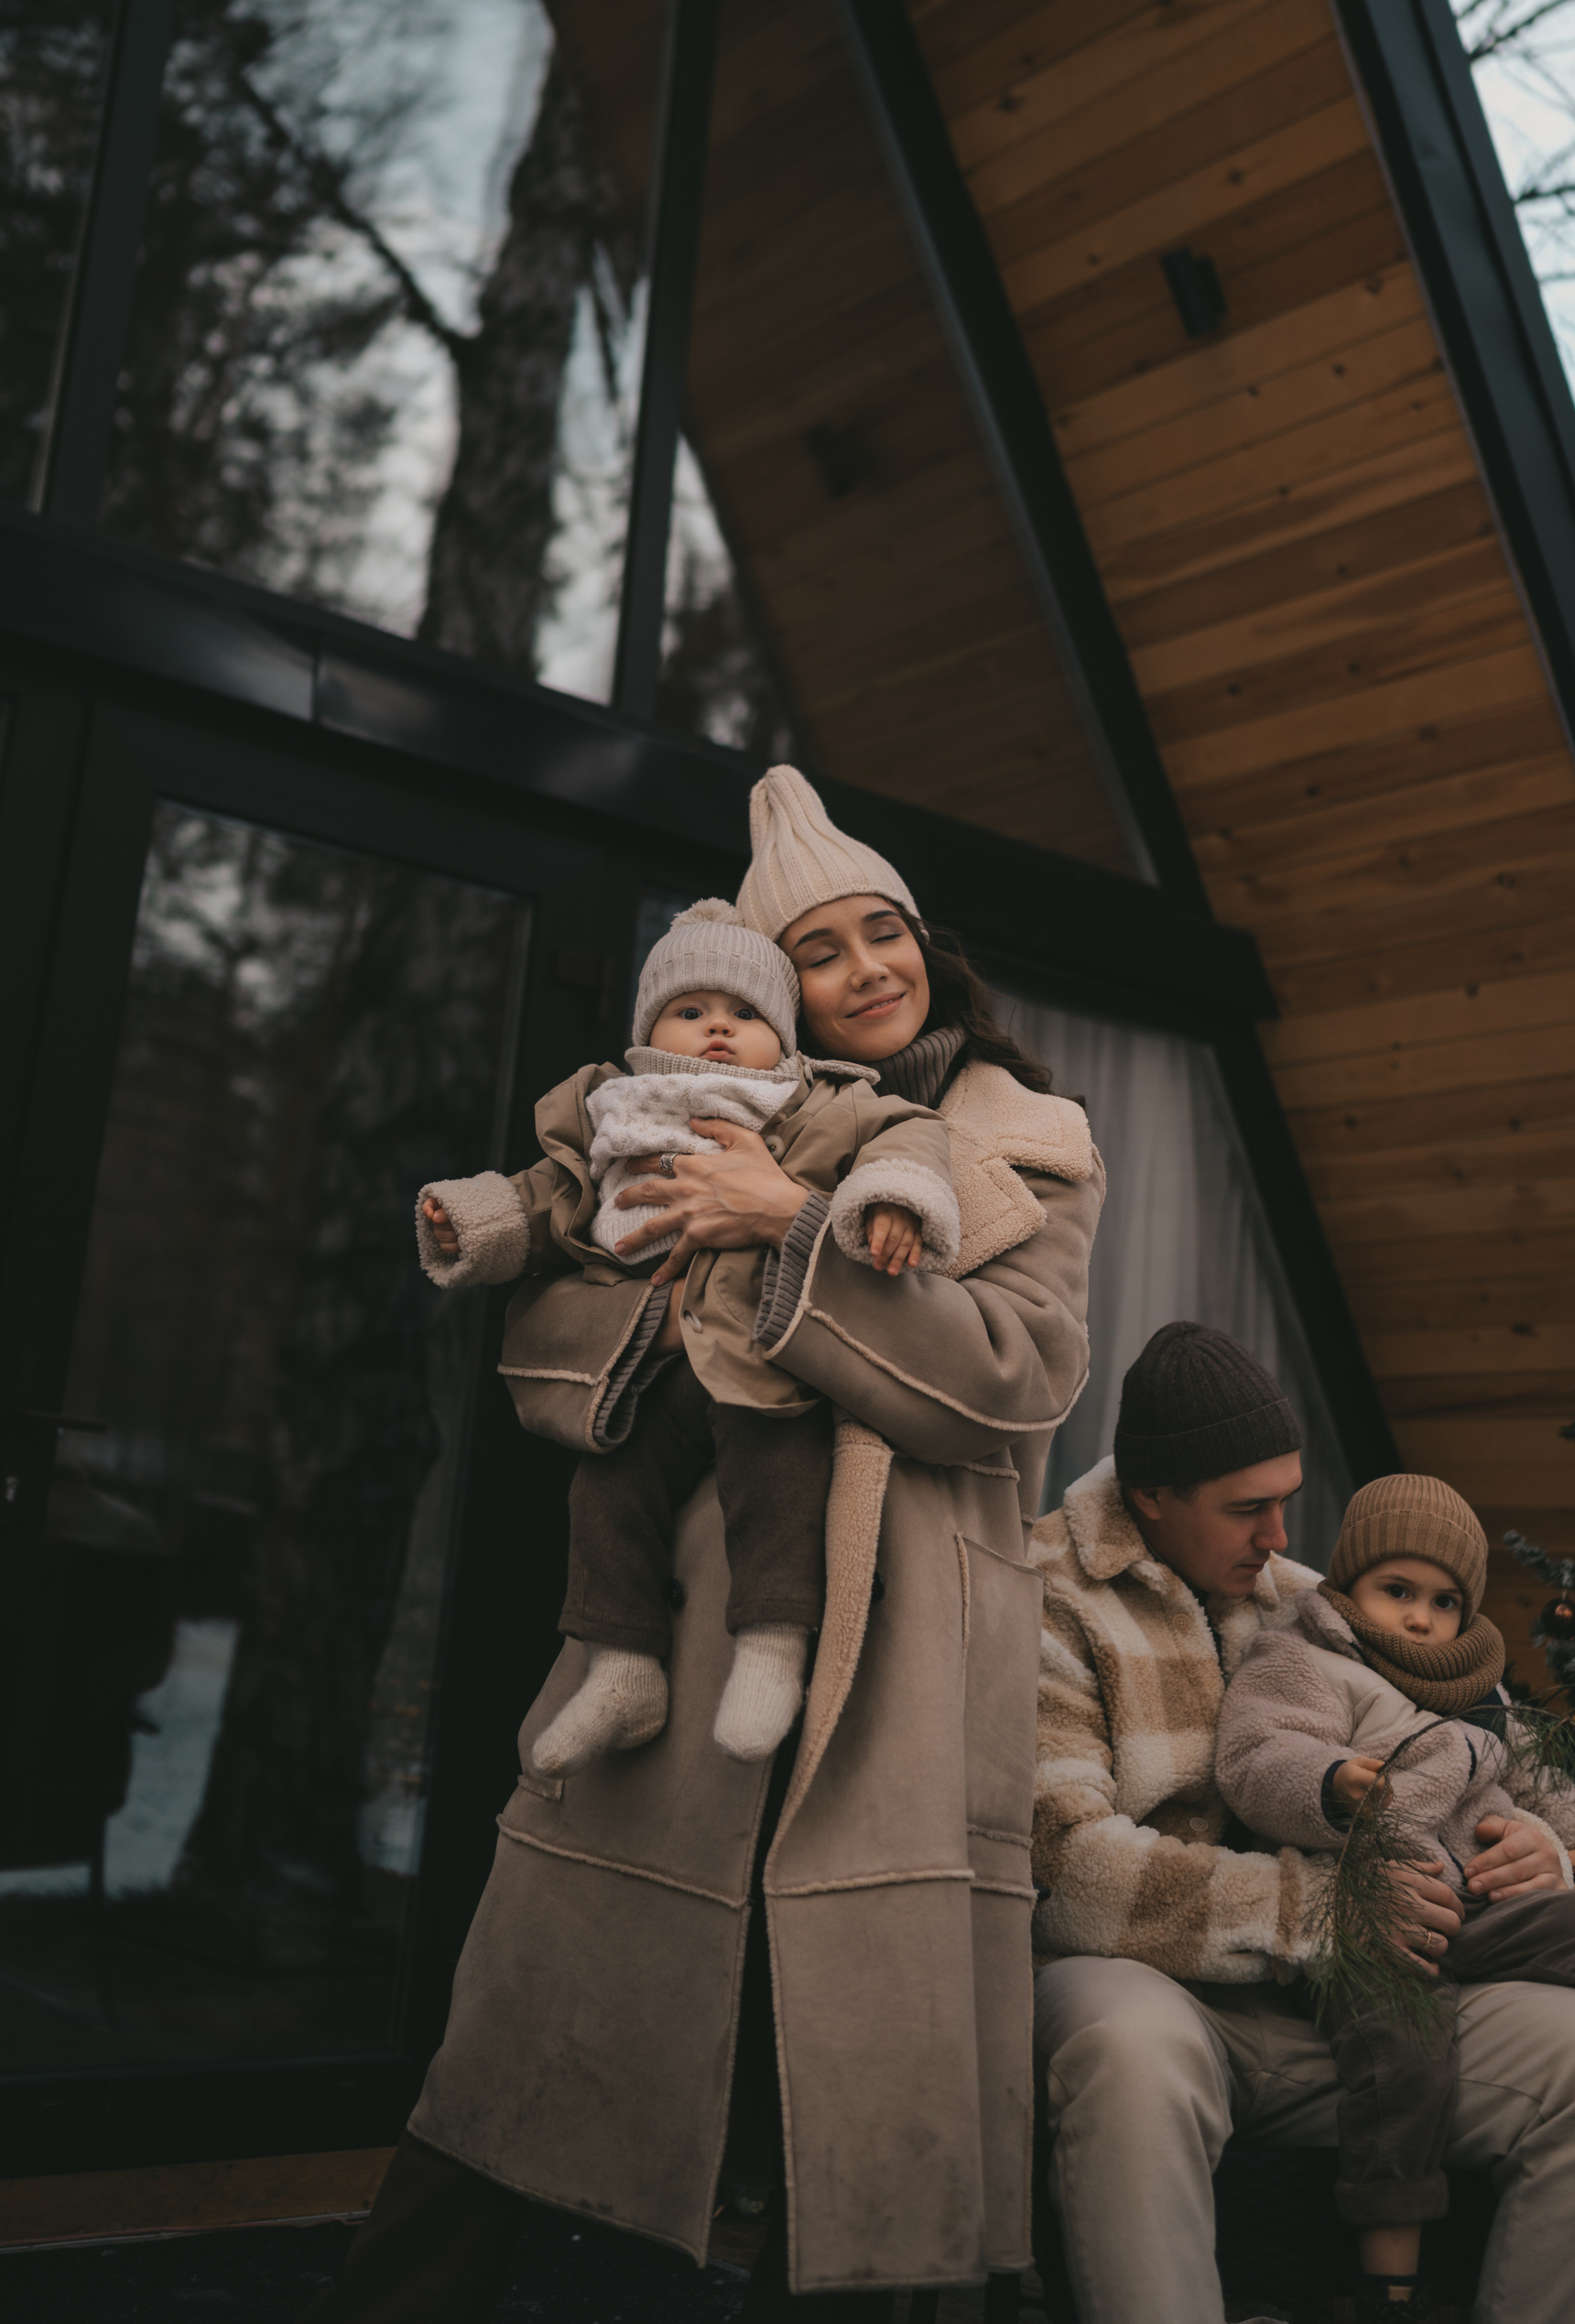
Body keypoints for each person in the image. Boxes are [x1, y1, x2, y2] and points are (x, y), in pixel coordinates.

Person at [305, 766, 1103, 2323]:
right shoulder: (673, 1110)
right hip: (686, 1604)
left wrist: (787, 1227)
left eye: (890, 934)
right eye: (820, 950)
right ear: (755, 989)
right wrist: (704, 1231)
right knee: (541, 2019)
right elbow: (557, 1324)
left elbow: (1015, 1384)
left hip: (908, 1647)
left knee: (853, 2097)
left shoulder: (1032, 1139)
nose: (870, 968)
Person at [1030, 1322, 1575, 2324]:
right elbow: (1068, 1869)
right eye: (1250, 1508)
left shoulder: (1320, 1600)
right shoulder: (1044, 1598)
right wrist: (1321, 1906)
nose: (1282, 1534)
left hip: (1366, 2008)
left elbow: (1502, 1735)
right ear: (1151, 1495)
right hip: (1164, 1990)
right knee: (1123, 2040)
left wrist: (1566, 1851)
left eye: (1286, 1498)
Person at [1214, 1472, 1575, 2315]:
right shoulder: (1307, 1659)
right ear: (1347, 1588)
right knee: (1399, 2061)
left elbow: (1548, 1783)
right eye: (1397, 1590)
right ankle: (1389, 2280)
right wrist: (1330, 1779)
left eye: (1445, 1600)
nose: (1421, 1617)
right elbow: (1255, 1754)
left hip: (1491, 1903)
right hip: (1380, 1914)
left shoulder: (1479, 1694)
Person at [415, 896, 958, 1771]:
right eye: (692, 1010)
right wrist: (472, 1224)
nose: (718, 1031)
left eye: (745, 1015)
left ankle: (773, 1648)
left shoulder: (814, 1106)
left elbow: (907, 1134)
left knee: (777, 1477)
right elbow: (547, 1198)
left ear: (783, 1034)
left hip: (758, 1359)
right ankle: (623, 1665)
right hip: (645, 1370)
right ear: (649, 1029)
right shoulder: (614, 1113)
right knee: (605, 1492)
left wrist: (890, 1198)